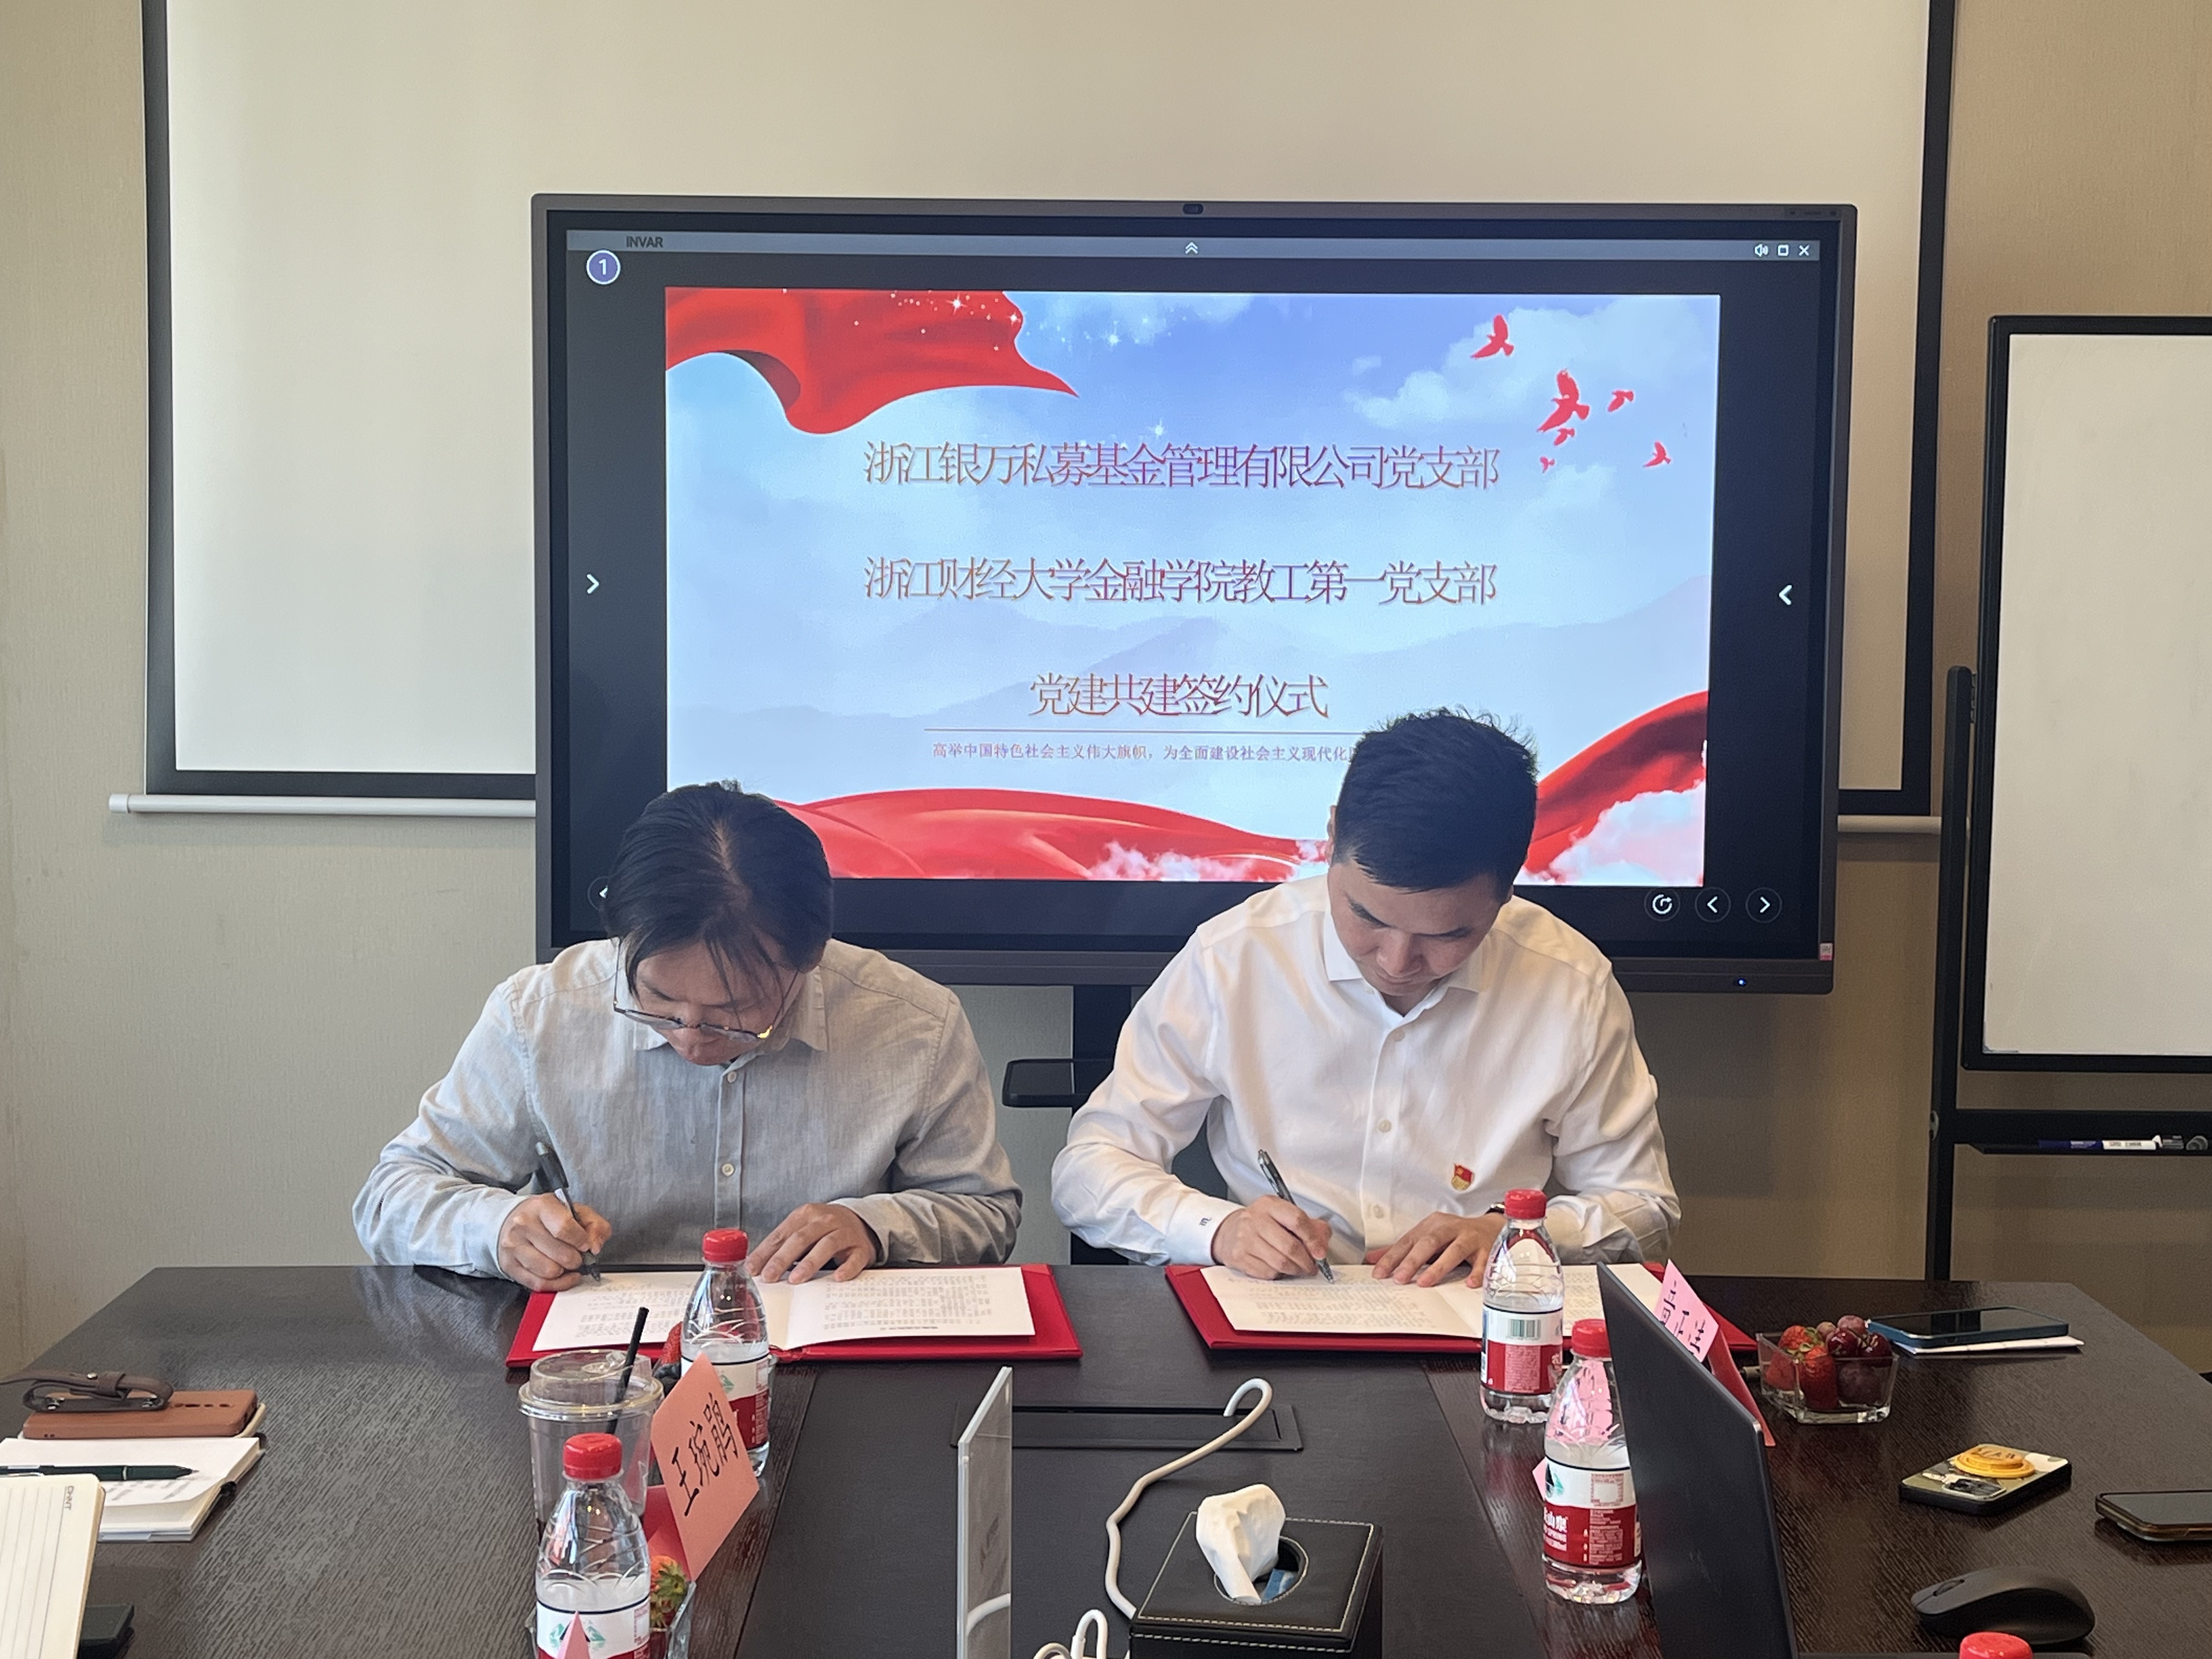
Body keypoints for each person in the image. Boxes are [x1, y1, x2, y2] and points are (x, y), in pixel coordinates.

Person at [1052, 709, 1677, 1282]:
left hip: (1482, 1320)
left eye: (1447, 935)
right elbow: (1089, 1169)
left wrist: (1517, 1234)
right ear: (1331, 837)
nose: (1397, 962)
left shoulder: (1567, 983)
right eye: (1367, 917)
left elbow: (1644, 1206)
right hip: (1281, 1312)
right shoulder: (1236, 958)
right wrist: (1218, 1230)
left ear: (1508, 889)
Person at [354, 783, 1021, 1290]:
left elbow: (986, 1213)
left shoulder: (913, 1023)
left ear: (811, 957)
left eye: (733, 1013)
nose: (692, 1039)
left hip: (829, 1354)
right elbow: (391, 1196)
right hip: (607, 1366)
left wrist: (874, 1227)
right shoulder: (541, 1014)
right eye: (659, 1003)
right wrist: (497, 1228)